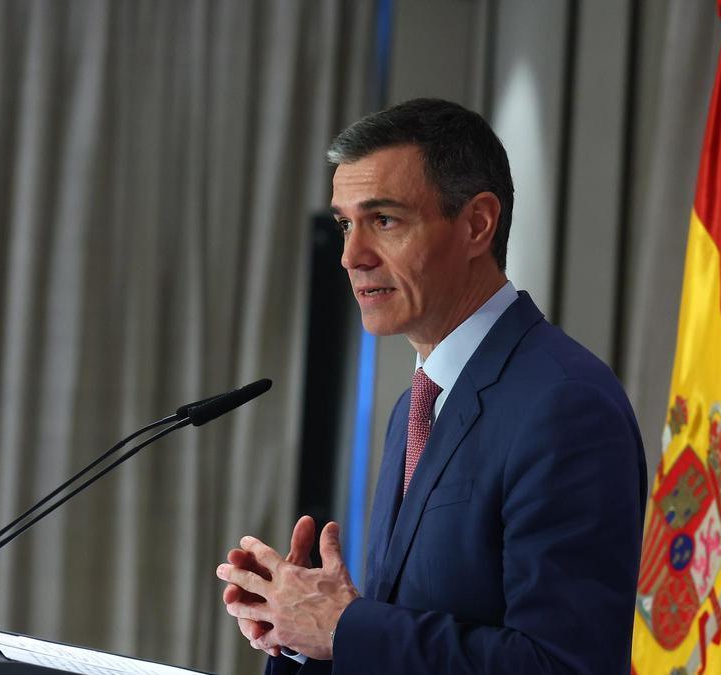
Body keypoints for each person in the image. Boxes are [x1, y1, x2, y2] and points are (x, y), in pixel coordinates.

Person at [216, 98, 647, 673]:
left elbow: (562, 664)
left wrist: (346, 627)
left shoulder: (565, 404)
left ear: (477, 224)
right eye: (346, 223)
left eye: (384, 220)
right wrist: (303, 632)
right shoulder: (417, 405)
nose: (350, 256)